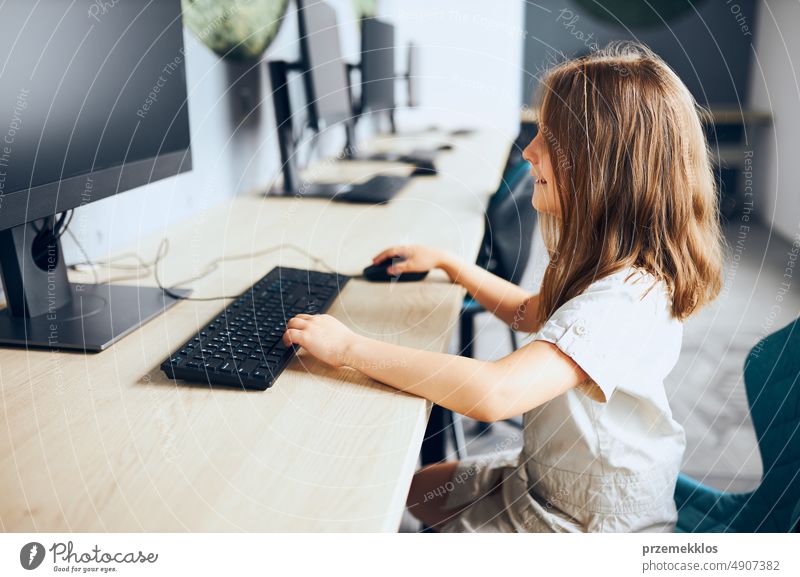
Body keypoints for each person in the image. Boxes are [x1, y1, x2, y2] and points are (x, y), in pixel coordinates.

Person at [281, 42, 724, 532]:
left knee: (385, 522)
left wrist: (349, 347)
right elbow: (528, 314)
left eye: (548, 138)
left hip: (586, 518)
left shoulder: (623, 299)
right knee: (413, 490)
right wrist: (453, 265)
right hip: (546, 475)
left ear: (602, 167)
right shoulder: (601, 263)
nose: (529, 150)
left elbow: (493, 394)